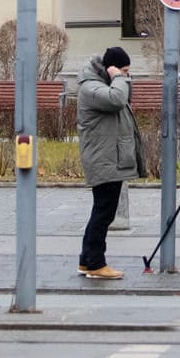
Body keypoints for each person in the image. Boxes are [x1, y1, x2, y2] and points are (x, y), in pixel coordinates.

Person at [76, 46, 140, 279]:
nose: (126, 76)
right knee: (104, 213)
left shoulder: (102, 84)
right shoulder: (91, 88)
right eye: (124, 71)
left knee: (102, 211)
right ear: (111, 69)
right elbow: (117, 99)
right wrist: (118, 79)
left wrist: (118, 78)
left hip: (108, 157)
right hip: (103, 159)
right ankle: (95, 263)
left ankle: (86, 260)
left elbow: (123, 99)